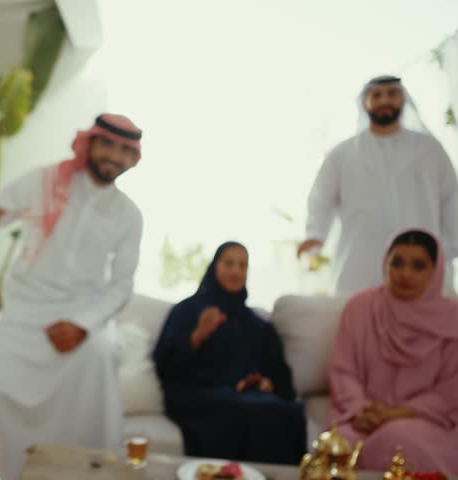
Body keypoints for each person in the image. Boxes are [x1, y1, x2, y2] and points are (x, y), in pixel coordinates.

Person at [0, 114, 143, 480]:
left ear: (133, 160)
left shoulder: (129, 215)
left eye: (125, 150)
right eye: (108, 144)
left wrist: (82, 325)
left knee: (99, 361)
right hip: (24, 313)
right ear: (90, 144)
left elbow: (121, 285)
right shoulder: (44, 181)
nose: (114, 155)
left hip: (83, 316)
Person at [298, 75, 458, 296]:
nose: (385, 100)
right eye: (377, 95)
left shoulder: (430, 150)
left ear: (402, 100)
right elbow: (321, 198)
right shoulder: (342, 154)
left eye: (392, 94)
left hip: (422, 261)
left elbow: (452, 198)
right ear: (365, 103)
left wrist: (450, 245)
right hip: (360, 263)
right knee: (358, 318)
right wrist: (315, 233)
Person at [153, 242, 307, 465]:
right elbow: (165, 366)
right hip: (196, 395)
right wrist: (197, 335)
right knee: (245, 411)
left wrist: (266, 383)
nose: (236, 271)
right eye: (229, 263)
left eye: (242, 265)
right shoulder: (187, 310)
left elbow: (283, 382)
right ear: (214, 266)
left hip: (247, 397)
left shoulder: (258, 326)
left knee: (287, 412)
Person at [329, 229, 458, 474]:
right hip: (361, 417)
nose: (405, 274)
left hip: (424, 421)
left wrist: (394, 414)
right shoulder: (360, 308)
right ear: (384, 263)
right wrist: (360, 409)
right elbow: (343, 371)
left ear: (436, 270)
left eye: (418, 265)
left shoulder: (453, 319)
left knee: (395, 440)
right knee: (338, 447)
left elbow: (450, 392)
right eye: (397, 263)